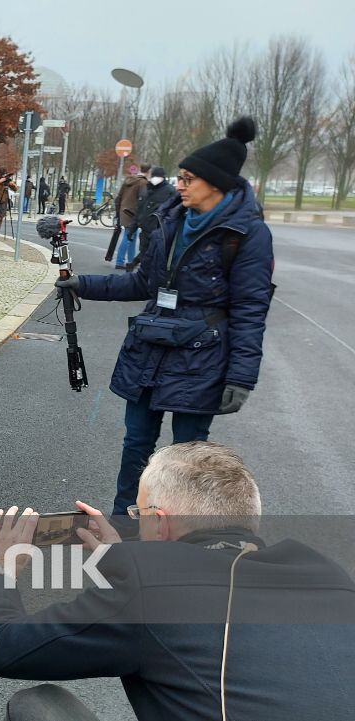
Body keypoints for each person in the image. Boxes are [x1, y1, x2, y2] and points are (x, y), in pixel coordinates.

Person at [0, 441, 355, 721]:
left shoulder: (148, 587)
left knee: (38, 707)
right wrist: (125, 558)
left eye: (138, 512)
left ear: (158, 519)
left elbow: (4, 648)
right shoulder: (329, 575)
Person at [54, 118, 273, 517]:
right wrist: (83, 284)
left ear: (216, 184)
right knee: (136, 444)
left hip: (202, 358)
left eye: (189, 178)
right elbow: (143, 283)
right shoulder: (171, 220)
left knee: (189, 460)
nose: (180, 185)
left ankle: (182, 534)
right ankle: (125, 522)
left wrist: (241, 377)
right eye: (181, 177)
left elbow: (250, 310)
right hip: (150, 350)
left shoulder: (245, 234)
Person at [126, 166, 177, 271]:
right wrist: (132, 228)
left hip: (159, 230)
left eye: (157, 176)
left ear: (163, 177)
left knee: (152, 256)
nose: (155, 179)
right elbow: (140, 210)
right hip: (145, 230)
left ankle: (137, 266)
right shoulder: (146, 189)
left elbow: (174, 212)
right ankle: (138, 269)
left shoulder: (170, 191)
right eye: (153, 176)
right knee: (145, 253)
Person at [110, 164, 147, 269]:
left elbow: (118, 198)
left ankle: (131, 261)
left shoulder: (127, 181)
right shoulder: (143, 183)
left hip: (124, 212)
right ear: (148, 172)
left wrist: (118, 213)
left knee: (132, 237)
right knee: (128, 236)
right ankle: (120, 261)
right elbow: (143, 200)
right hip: (133, 214)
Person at [0, 168, 17, 236]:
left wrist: (11, 184)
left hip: (3, 201)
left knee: (0, 217)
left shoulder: (6, 181)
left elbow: (15, 189)